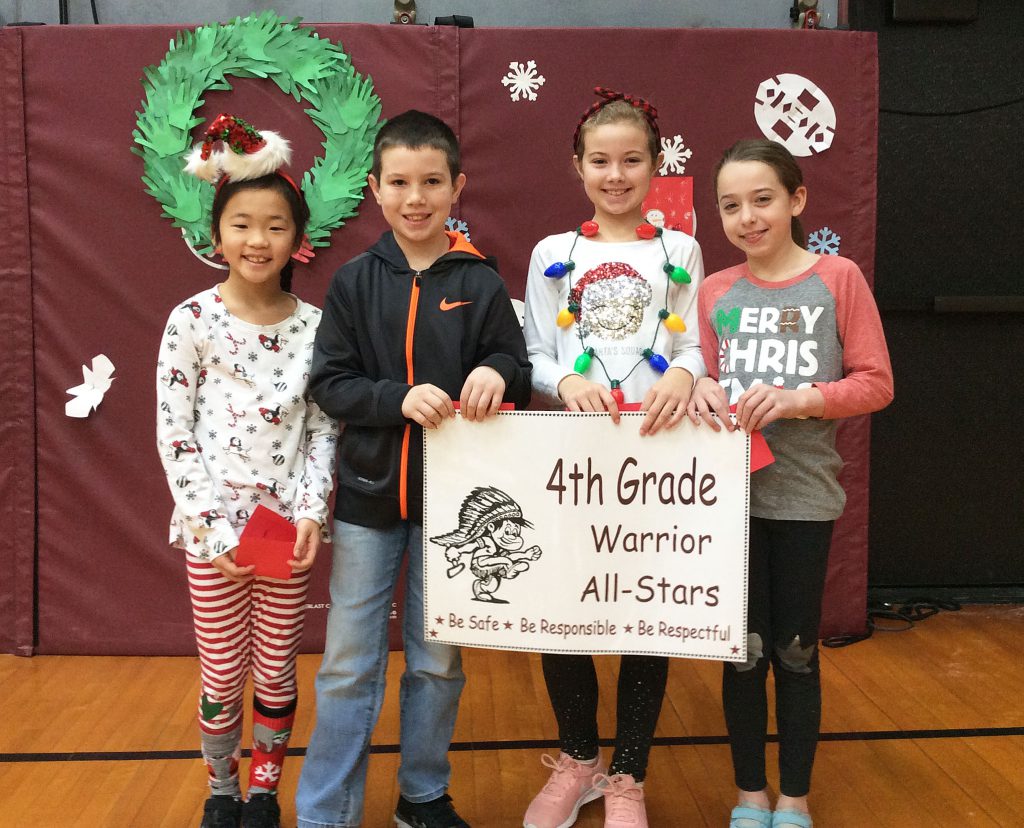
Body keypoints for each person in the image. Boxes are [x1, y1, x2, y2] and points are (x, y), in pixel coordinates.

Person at [295, 109, 532, 828]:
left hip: (455, 509)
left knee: (437, 662)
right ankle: (325, 811)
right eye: (399, 181)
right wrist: (398, 399)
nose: (416, 196)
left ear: (457, 186)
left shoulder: (481, 283)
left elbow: (516, 369)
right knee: (345, 665)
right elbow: (329, 383)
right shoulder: (353, 282)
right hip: (367, 504)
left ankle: (422, 796)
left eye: (432, 181)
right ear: (375, 188)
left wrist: (495, 370)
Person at [687, 138, 893, 828]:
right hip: (728, 499)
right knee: (741, 652)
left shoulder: (838, 278)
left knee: (796, 652)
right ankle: (750, 797)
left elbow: (876, 384)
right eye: (731, 205)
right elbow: (703, 377)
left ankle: (794, 799)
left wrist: (803, 398)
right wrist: (705, 392)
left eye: (763, 200)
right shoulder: (715, 290)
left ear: (797, 200)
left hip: (803, 498)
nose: (748, 217)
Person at [521, 87, 706, 828]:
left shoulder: (679, 250)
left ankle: (628, 773)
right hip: (571, 453)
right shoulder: (552, 254)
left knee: (643, 614)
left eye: (632, 160)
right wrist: (564, 378)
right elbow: (533, 350)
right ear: (578, 166)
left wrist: (689, 374)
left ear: (656, 165)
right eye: (601, 161)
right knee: (564, 609)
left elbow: (689, 340)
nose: (617, 174)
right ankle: (578, 760)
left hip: (653, 456)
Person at [156, 114, 339, 828]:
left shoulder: (319, 326)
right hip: (215, 537)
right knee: (223, 673)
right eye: (241, 224)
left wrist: (310, 514)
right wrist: (211, 529)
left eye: (273, 227)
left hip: (283, 532)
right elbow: (175, 434)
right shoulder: (191, 320)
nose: (256, 241)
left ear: (298, 239)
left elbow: (325, 426)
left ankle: (264, 793)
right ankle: (222, 793)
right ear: (217, 235)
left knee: (276, 670)